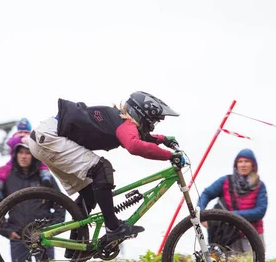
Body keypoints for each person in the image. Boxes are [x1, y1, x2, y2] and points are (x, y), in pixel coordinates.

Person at [28, 91, 181, 253]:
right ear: (142, 114)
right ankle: (113, 227)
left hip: (44, 138)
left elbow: (138, 138)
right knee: (102, 169)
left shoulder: (120, 120)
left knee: (90, 192)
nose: (151, 126)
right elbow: (134, 145)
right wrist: (170, 155)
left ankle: (75, 246)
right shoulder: (125, 124)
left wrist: (162, 139)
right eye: (152, 122)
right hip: (50, 138)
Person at [0, 136, 64, 262]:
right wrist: (7, 231)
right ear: (16, 154)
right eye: (21, 152)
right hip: (18, 237)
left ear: (33, 155)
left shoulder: (44, 176)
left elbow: (61, 204)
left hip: (43, 236)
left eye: (28, 153)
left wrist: (52, 228)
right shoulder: (7, 177)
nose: (23, 156)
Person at [197, 149, 268, 252]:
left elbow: (260, 211)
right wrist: (202, 215)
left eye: (246, 161)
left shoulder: (260, 186)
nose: (243, 165)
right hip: (229, 236)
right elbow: (206, 194)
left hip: (252, 235)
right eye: (240, 161)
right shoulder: (225, 182)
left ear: (253, 165)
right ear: (236, 164)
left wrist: (232, 216)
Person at [0, 118, 54, 202]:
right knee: (2, 170)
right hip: (13, 163)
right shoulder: (15, 140)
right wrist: (22, 139)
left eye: (25, 133)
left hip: (36, 161)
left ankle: (45, 176)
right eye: (20, 132)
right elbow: (9, 143)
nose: (23, 134)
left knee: (43, 164)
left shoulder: (33, 139)